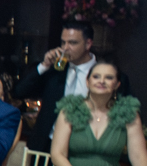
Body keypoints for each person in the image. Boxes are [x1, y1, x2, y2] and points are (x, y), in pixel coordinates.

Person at [14, 23, 133, 154]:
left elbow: (126, 114)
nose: (65, 48)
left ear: (88, 44)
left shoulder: (109, 76)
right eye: (63, 42)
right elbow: (19, 92)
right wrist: (44, 65)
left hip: (86, 148)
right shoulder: (55, 70)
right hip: (47, 145)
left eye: (72, 43)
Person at [49, 58, 147, 166]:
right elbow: (57, 153)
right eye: (96, 76)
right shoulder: (70, 110)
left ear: (117, 84)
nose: (101, 81)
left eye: (109, 77)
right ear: (87, 82)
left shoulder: (128, 113)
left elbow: (138, 156)